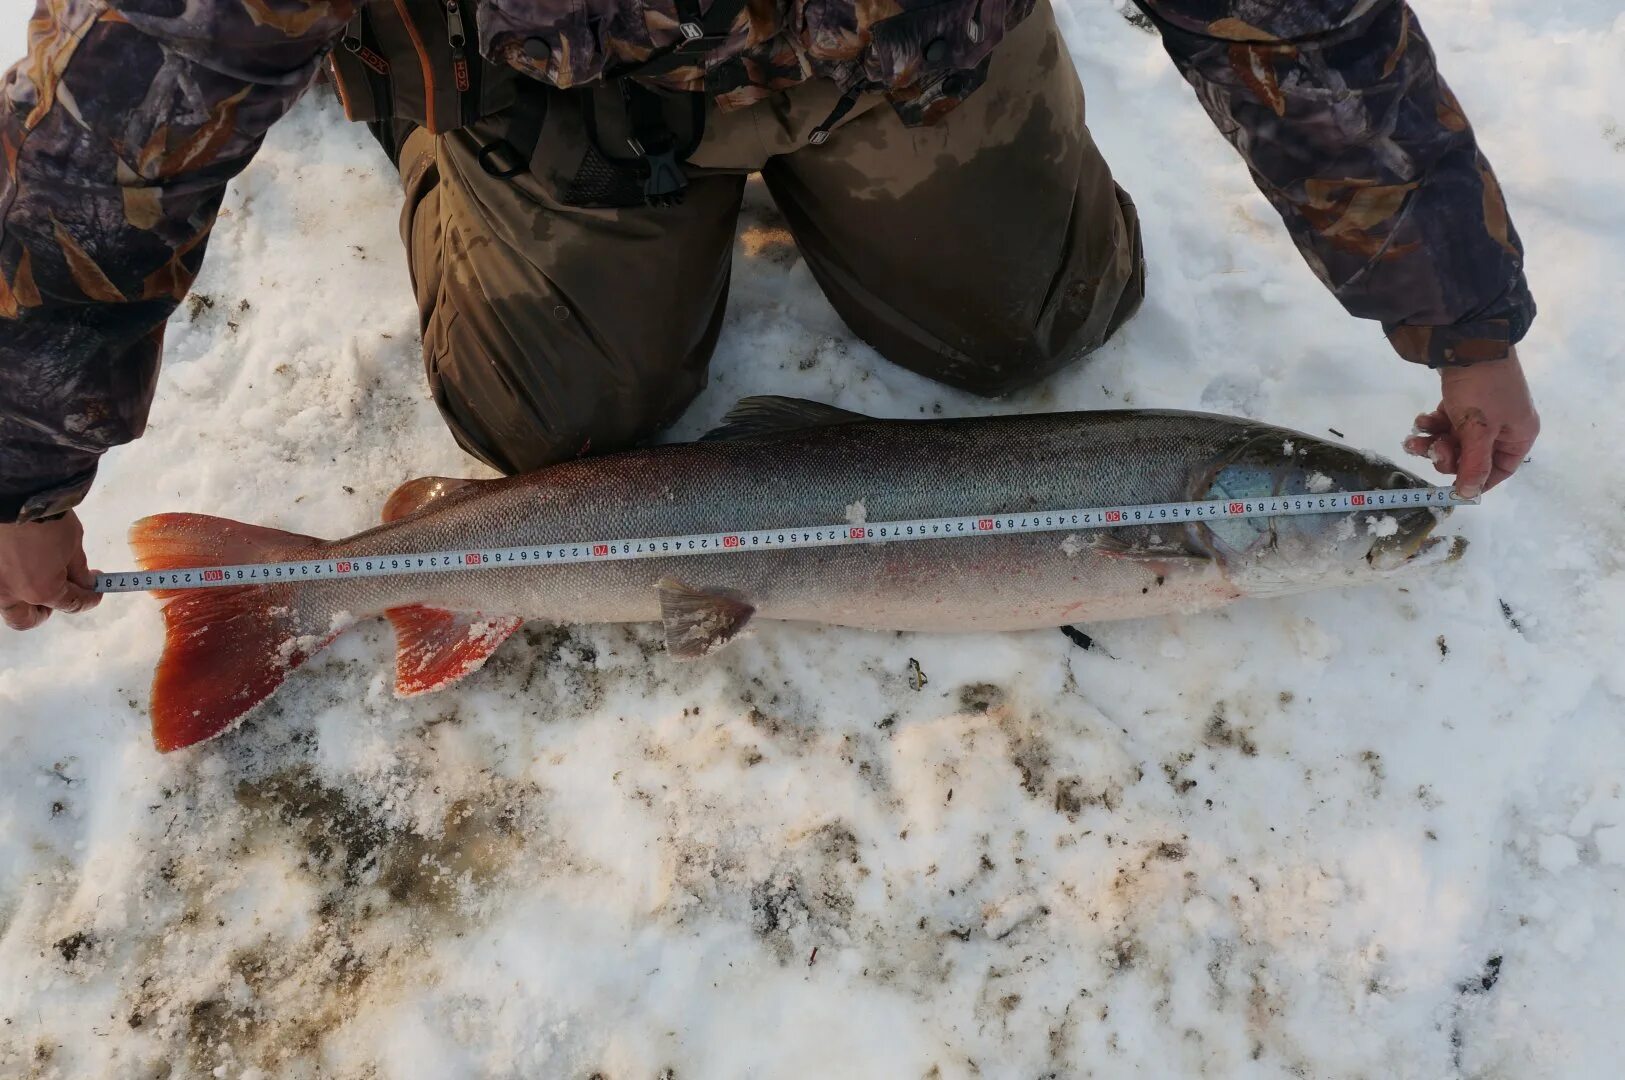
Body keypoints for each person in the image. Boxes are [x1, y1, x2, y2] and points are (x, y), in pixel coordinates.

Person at [0, 0, 1539, 632]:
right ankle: (432, 151)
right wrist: (22, 466)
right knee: (555, 431)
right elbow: (99, 138)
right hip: (571, 94)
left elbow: (1302, 23)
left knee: (1030, 328)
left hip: (901, 59)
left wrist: (1461, 317)